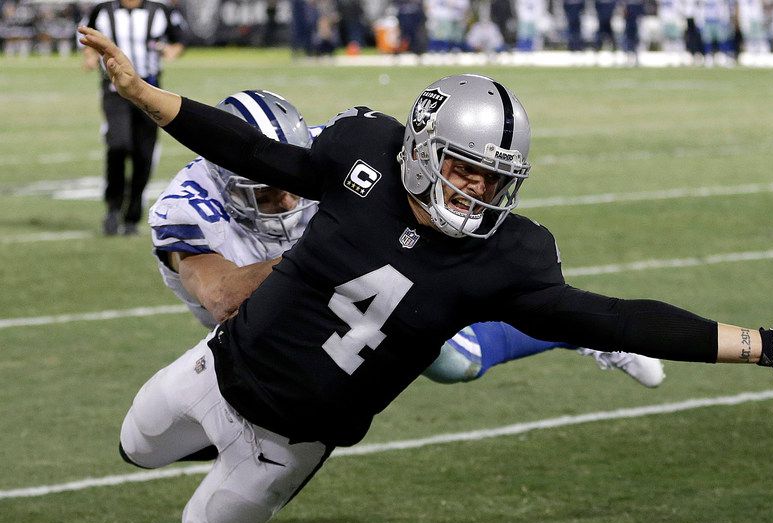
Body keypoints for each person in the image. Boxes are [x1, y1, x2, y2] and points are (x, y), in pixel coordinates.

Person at [81, 25, 773, 523]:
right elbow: (259, 155)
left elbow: (615, 315)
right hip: (218, 368)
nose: (477, 191)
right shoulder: (361, 155)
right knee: (134, 444)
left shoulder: (505, 258)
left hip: (294, 440)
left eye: (493, 178)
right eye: (465, 169)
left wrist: (765, 344)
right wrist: (147, 96)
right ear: (420, 145)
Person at [149, 88, 665, 388]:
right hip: (280, 302)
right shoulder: (187, 208)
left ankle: (575, 327)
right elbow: (222, 297)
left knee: (454, 362)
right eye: (267, 194)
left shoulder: (327, 147)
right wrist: (333, 247)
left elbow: (406, 161)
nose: (287, 201)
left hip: (344, 283)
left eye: (290, 185)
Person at [82, 0, 185, 237]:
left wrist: (172, 50)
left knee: (143, 153)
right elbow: (88, 37)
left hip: (149, 89)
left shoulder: (159, 11)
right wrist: (89, 55)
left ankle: (132, 214)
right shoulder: (103, 10)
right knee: (118, 144)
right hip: (114, 89)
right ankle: (113, 206)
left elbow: (179, 38)